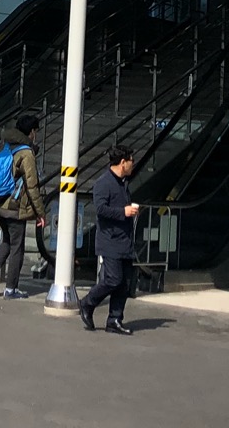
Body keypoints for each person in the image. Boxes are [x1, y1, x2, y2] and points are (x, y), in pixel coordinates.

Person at [0, 113, 47, 300]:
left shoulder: (8, 146)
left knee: (7, 241)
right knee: (17, 246)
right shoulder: (26, 153)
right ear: (31, 132)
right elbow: (32, 186)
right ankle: (11, 289)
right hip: (14, 207)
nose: (36, 134)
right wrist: (40, 213)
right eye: (36, 131)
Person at [79, 143, 139, 335]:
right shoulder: (104, 183)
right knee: (113, 279)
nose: (133, 164)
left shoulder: (122, 183)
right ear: (123, 162)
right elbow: (101, 209)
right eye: (131, 161)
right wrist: (123, 212)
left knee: (124, 282)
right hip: (110, 240)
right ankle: (88, 302)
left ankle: (115, 319)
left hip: (124, 240)